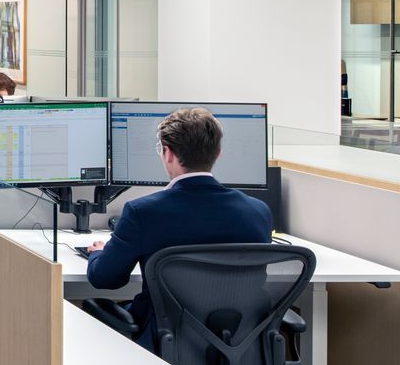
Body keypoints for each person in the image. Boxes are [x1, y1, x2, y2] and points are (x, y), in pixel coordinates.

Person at [86, 107, 272, 347]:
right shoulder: (258, 212)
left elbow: (105, 278)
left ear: (168, 153)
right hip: (236, 344)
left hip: (165, 341)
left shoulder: (143, 212)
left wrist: (99, 252)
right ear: (218, 153)